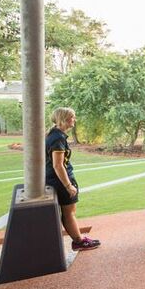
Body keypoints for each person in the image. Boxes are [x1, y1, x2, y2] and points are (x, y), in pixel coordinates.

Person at [45, 107, 100, 251]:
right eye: (72, 117)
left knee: (69, 212)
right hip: (60, 181)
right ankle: (78, 241)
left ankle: (78, 239)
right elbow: (58, 165)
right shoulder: (57, 138)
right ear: (63, 119)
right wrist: (68, 185)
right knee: (69, 213)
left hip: (57, 179)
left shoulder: (55, 135)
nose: (74, 119)